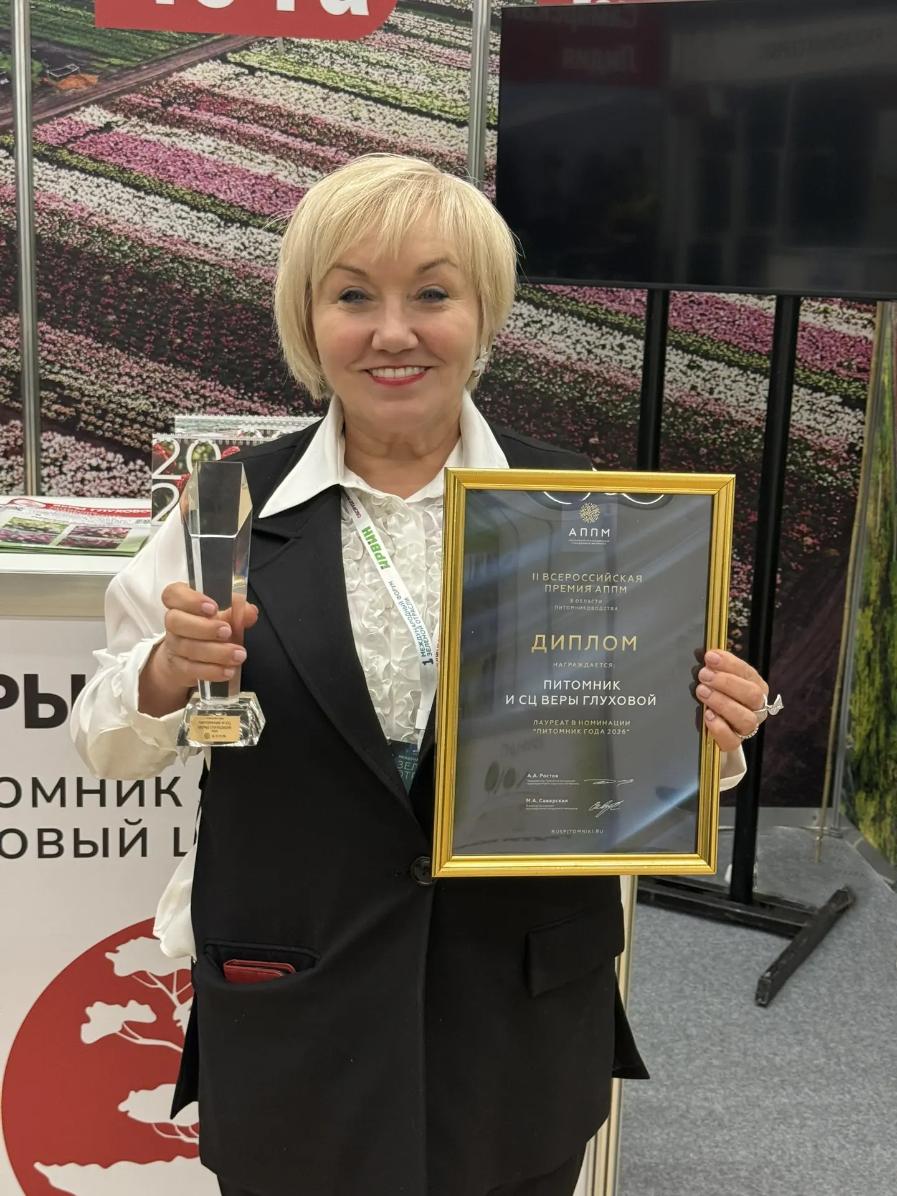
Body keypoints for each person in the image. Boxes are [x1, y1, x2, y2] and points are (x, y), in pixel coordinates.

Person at [71, 155, 773, 1196]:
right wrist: (168, 671)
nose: (393, 332)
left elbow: (637, 750)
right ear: (307, 319)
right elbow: (103, 739)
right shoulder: (226, 507)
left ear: (483, 314)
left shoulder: (585, 505)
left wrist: (712, 732)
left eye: (432, 294)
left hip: (517, 1012)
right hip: (296, 1006)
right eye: (353, 296)